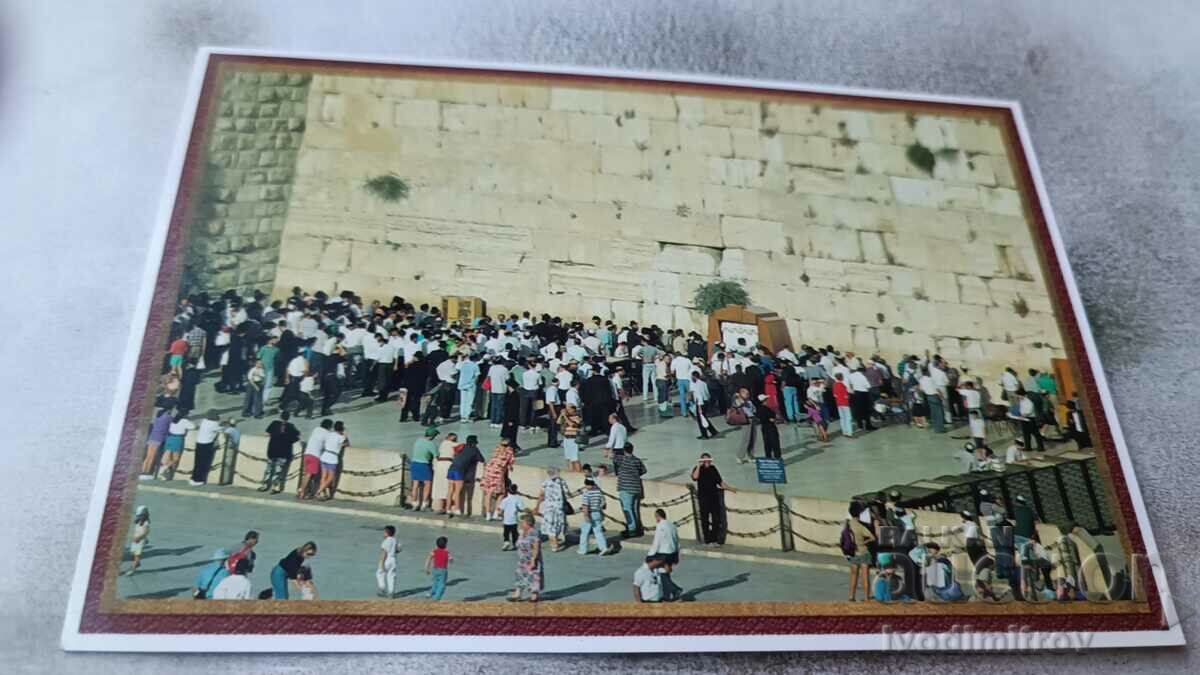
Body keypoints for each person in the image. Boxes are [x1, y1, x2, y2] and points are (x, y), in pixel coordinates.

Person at [691, 453, 736, 546]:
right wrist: (699, 466)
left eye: (708, 460)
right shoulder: (698, 469)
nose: (706, 462)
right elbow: (695, 477)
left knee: (716, 519)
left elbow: (720, 482)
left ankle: (714, 539)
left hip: (714, 497)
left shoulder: (713, 469)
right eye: (704, 460)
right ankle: (707, 540)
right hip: (703, 498)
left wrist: (731, 489)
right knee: (705, 519)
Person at [646, 508, 682, 600]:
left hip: (663, 553)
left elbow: (657, 541)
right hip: (672, 552)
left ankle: (675, 589)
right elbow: (677, 540)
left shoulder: (660, 526)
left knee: (662, 574)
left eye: (655, 517)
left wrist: (650, 554)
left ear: (658, 516)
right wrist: (677, 554)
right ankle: (667, 596)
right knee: (665, 573)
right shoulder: (672, 525)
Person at [261, 411, 300, 493]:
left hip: (272, 450)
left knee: (269, 469)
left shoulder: (274, 423)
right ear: (288, 418)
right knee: (278, 471)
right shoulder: (291, 427)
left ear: (280, 416)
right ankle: (275, 487)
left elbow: (266, 433)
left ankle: (264, 485)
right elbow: (297, 437)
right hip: (283, 452)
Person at [844, 501, 876, 601]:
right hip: (863, 552)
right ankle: (866, 597)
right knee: (865, 576)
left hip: (853, 552)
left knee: (853, 575)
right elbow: (872, 537)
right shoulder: (860, 526)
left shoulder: (847, 525)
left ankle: (851, 596)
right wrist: (864, 542)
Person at [510, 512, 544, 602]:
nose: (520, 524)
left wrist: (533, 560)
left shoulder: (534, 532)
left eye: (522, 522)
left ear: (528, 523)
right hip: (522, 559)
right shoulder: (522, 532)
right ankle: (518, 593)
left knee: (533, 576)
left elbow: (536, 547)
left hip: (531, 558)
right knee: (520, 575)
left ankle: (534, 595)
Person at [536, 467, 571, 552]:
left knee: (550, 526)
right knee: (558, 525)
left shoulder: (545, 482)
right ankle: (555, 543)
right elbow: (567, 494)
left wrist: (537, 506)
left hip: (548, 508)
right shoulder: (562, 482)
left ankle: (554, 544)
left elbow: (541, 495)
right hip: (559, 507)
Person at [447, 434, 482, 517]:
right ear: (474, 443)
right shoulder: (474, 449)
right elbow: (481, 459)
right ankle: (456, 509)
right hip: (460, 470)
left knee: (450, 490)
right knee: (458, 491)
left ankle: (448, 508)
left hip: (451, 468)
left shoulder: (462, 446)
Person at [481, 438, 516, 521]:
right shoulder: (509, 451)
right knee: (501, 493)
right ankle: (496, 513)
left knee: (488, 493)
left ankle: (488, 514)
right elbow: (510, 464)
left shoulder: (497, 448)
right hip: (498, 472)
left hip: (488, 471)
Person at [616, 442, 647, 538]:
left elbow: (612, 457)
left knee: (627, 509)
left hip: (625, 488)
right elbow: (644, 470)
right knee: (635, 509)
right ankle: (638, 528)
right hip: (636, 488)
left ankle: (632, 530)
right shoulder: (637, 460)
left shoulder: (620, 459)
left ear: (624, 450)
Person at [578, 477, 615, 555]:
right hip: (598, 513)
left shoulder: (586, 493)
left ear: (587, 485)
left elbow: (585, 506)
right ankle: (603, 547)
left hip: (590, 513)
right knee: (598, 532)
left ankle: (582, 549)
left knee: (585, 532)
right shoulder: (599, 492)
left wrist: (586, 515)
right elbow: (604, 504)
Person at [297, 419, 331, 500]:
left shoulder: (316, 429)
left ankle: (305, 492)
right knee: (309, 475)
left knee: (307, 474)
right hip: (315, 456)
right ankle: (302, 491)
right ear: (329, 426)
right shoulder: (327, 434)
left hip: (307, 454)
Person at [407, 427, 438, 511]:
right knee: (427, 484)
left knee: (415, 485)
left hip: (414, 464)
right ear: (432, 436)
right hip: (424, 465)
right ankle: (424, 504)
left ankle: (414, 503)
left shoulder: (418, 441)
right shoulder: (430, 444)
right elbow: (436, 455)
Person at [188, 409, 222, 486]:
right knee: (204, 463)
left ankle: (193, 478)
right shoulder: (214, 424)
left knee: (197, 462)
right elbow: (221, 429)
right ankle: (199, 479)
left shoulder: (203, 421)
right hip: (207, 444)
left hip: (199, 443)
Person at [316, 420, 347, 501]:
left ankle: (323, 494)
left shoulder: (329, 434)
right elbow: (347, 444)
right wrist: (344, 434)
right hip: (332, 458)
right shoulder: (341, 437)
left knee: (323, 476)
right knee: (331, 477)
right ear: (342, 428)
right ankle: (318, 492)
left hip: (324, 456)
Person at [140, 407, 173, 479]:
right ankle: (147, 472)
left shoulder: (157, 417)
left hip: (152, 437)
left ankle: (142, 471)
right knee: (152, 457)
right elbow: (170, 426)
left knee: (148, 456)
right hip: (159, 439)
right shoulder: (168, 417)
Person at [431, 432, 458, 514]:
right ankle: (448, 507)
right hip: (447, 464)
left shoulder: (442, 443)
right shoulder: (453, 444)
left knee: (439, 486)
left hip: (439, 465)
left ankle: (440, 507)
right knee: (448, 486)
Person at [123, 505, 150, 576]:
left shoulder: (146, 523)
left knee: (137, 555)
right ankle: (137, 563)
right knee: (133, 553)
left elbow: (146, 532)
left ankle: (133, 569)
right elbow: (136, 526)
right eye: (138, 516)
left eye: (140, 516)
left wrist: (140, 538)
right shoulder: (138, 520)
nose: (138, 517)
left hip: (139, 541)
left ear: (144, 515)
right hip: (135, 540)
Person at [557, 403, 584, 472]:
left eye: (569, 409)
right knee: (568, 457)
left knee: (575, 458)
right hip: (566, 439)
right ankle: (571, 472)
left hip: (574, 439)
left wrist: (565, 416)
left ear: (573, 409)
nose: (567, 410)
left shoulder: (578, 416)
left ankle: (579, 472)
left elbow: (572, 424)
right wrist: (561, 415)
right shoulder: (566, 416)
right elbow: (558, 422)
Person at [498, 483, 525, 551]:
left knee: (506, 532)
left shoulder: (505, 500)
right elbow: (521, 509)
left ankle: (506, 541)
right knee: (514, 532)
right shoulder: (518, 499)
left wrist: (500, 514)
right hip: (514, 520)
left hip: (506, 520)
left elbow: (501, 510)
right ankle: (515, 543)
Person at [690, 370, 717, 439]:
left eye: (692, 376)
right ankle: (713, 431)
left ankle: (704, 435)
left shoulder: (697, 385)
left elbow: (699, 396)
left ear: (694, 376)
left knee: (700, 419)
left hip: (700, 403)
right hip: (706, 401)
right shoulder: (703, 383)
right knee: (704, 418)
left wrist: (699, 407)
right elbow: (707, 393)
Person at [425, 536, 453, 600]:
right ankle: (436, 598)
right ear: (445, 545)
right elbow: (451, 560)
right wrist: (451, 560)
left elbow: (428, 559)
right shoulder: (447, 552)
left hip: (435, 569)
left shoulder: (434, 551)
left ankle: (430, 593)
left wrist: (427, 568)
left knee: (435, 582)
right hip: (443, 570)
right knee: (442, 585)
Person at [376, 525, 401, 598]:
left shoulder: (386, 541)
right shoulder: (395, 540)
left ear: (386, 533)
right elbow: (399, 549)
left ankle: (382, 588)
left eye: (384, 532)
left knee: (380, 573)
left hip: (387, 559)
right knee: (391, 575)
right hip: (393, 559)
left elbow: (384, 552)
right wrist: (393, 551)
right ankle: (391, 592)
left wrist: (382, 563)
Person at [755, 394, 782, 459]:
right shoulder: (766, 409)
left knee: (767, 444)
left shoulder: (758, 409)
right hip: (771, 427)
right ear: (764, 401)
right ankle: (777, 458)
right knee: (775, 443)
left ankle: (768, 458)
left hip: (764, 428)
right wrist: (774, 419)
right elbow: (771, 418)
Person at [832, 373, 853, 439]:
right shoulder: (843, 385)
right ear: (841, 377)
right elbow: (846, 396)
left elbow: (835, 395)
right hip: (845, 403)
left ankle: (844, 431)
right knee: (848, 418)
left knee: (842, 418)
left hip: (838, 403)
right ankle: (849, 432)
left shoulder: (834, 385)